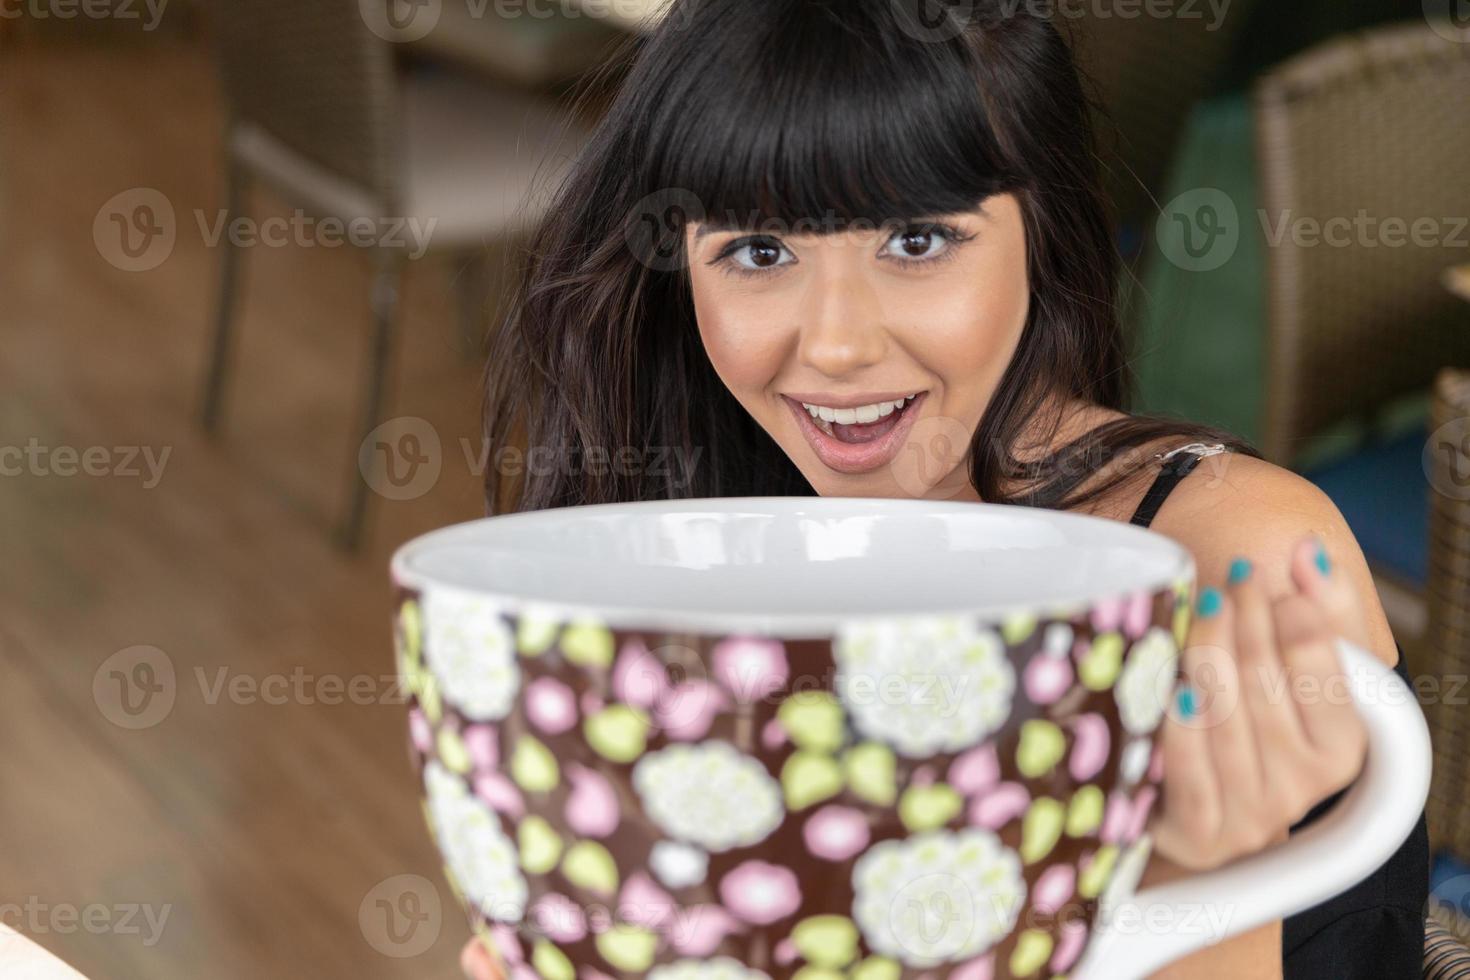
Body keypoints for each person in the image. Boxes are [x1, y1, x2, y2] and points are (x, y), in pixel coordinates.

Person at [463, 0, 1429, 975]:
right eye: (760, 253)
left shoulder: (1227, 560)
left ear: (1040, 230)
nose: (836, 344)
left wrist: (1180, 869)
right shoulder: (685, 526)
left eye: (917, 242)